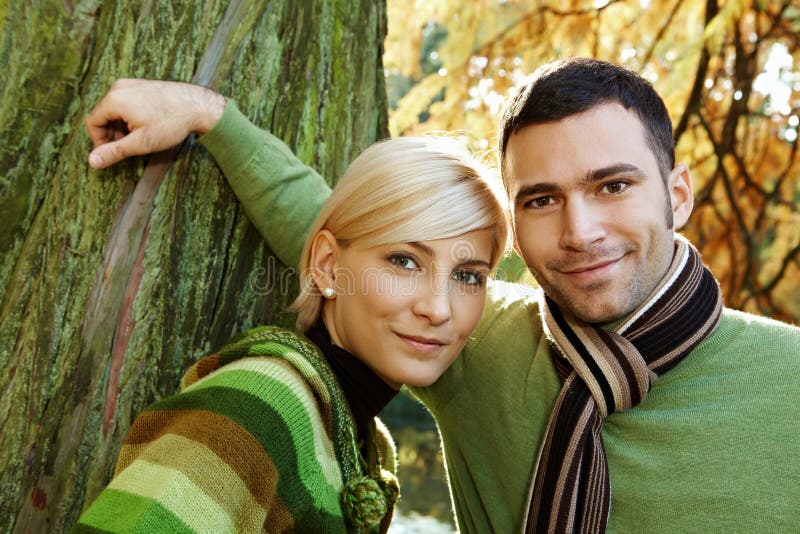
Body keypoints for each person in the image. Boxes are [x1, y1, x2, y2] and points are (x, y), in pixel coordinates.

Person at [84, 58, 800, 533]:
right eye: (543, 199)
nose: (581, 231)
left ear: (677, 194)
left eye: (613, 186)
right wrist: (213, 118)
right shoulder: (485, 339)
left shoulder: (787, 379)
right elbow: (356, 239)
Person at [73, 131, 510, 532]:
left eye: (468, 276)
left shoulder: (366, 442)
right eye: (404, 260)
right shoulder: (261, 407)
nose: (437, 309)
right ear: (326, 266)